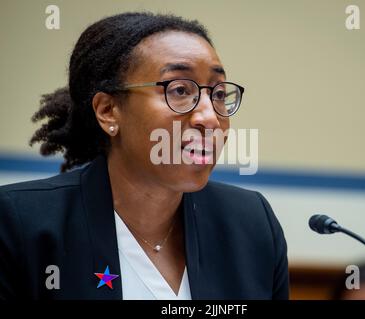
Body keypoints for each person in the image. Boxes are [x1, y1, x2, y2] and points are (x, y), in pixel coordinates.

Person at [0, 12, 288, 300]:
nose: (210, 117)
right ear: (108, 111)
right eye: (179, 90)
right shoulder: (20, 223)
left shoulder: (250, 223)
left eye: (219, 94)